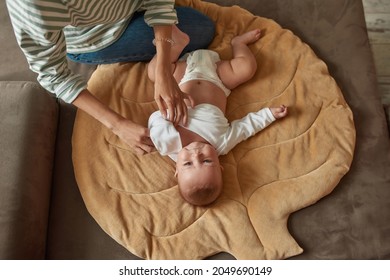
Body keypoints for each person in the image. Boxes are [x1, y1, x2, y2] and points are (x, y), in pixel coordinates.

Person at [6, 0, 215, 155]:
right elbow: (54, 75)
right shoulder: (32, 7)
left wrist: (163, 69)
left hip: (130, 7)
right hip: (95, 36)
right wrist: (118, 125)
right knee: (203, 29)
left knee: (201, 27)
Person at [147, 29, 288, 206]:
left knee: (154, 72)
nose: (196, 155)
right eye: (206, 160)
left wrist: (167, 116)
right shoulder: (221, 143)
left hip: (180, 76)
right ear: (219, 165)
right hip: (218, 77)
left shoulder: (166, 143)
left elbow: (154, 119)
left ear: (176, 170)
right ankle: (239, 44)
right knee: (247, 68)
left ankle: (176, 45)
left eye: (188, 164)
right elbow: (245, 127)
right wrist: (269, 114)